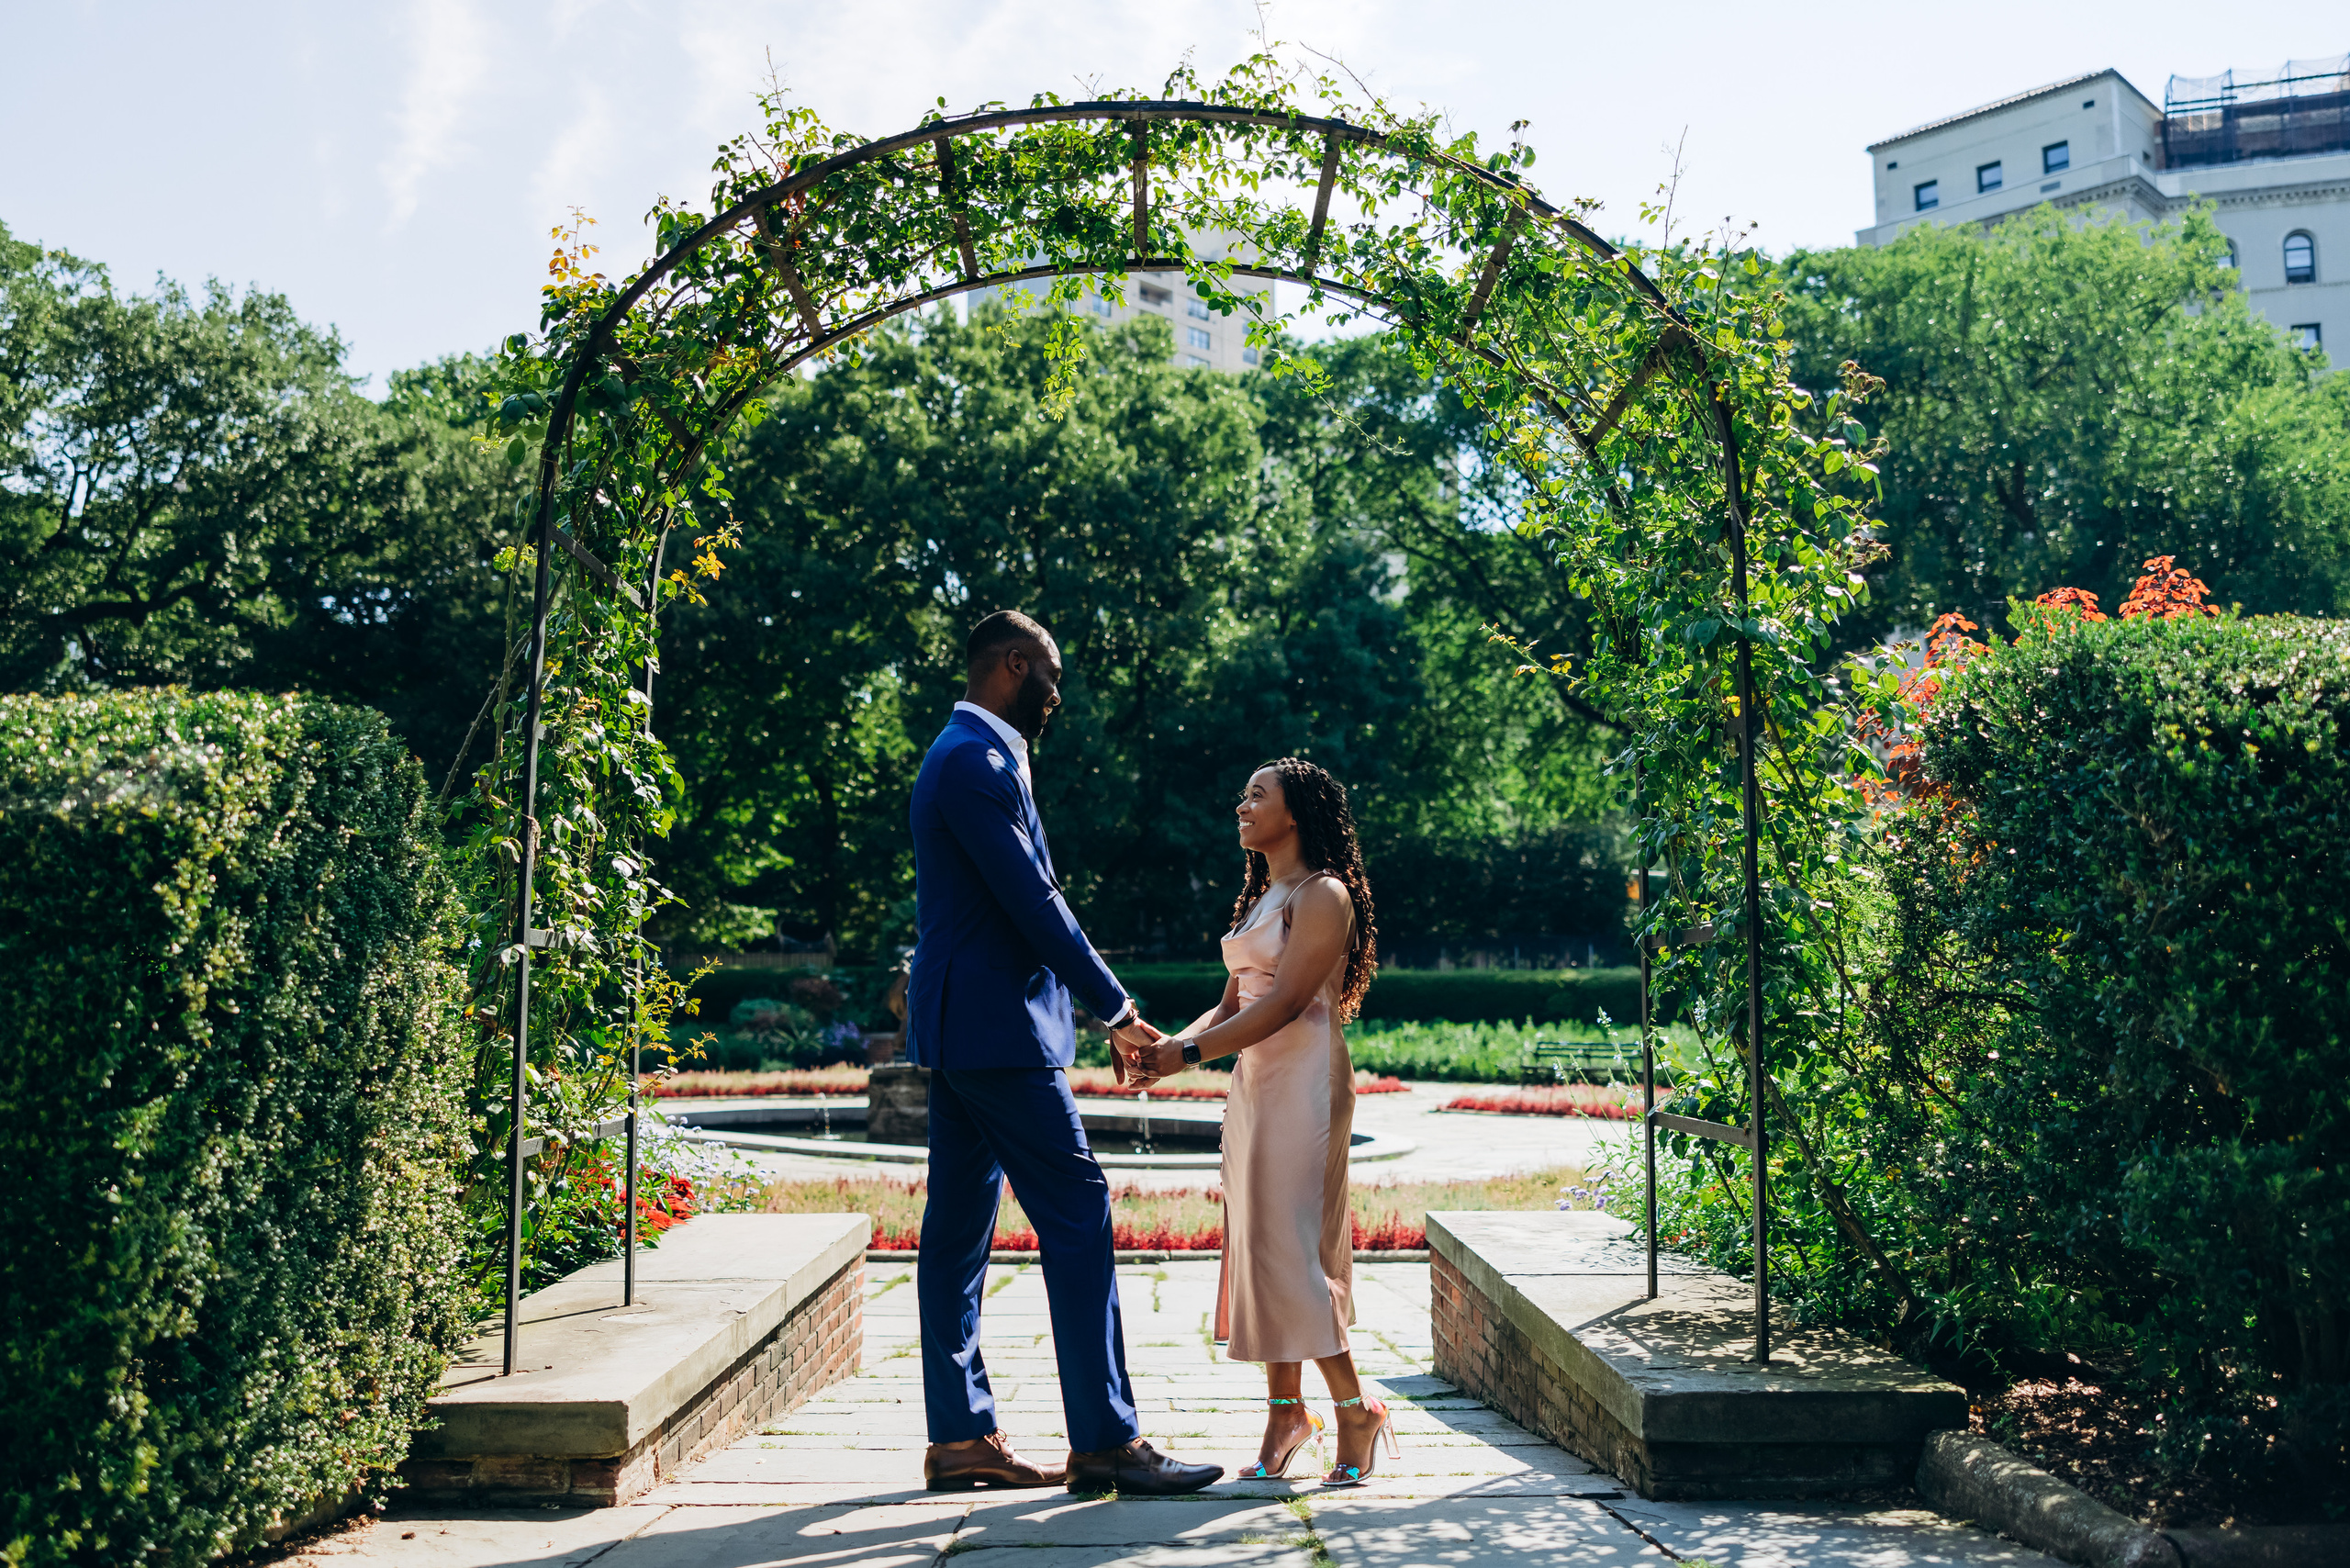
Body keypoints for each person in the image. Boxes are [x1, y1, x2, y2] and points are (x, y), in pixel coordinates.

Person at [906, 609, 1224, 1496]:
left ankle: (962, 1436)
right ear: (1014, 667)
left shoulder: (972, 753)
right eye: (1051, 674)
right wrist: (1118, 1009)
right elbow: (1032, 903)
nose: (1059, 693)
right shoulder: (973, 760)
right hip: (995, 1030)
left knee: (959, 1230)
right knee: (1079, 1207)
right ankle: (1106, 1440)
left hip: (969, 1028)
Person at [1125, 757, 1397, 1486]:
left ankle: (1354, 1407)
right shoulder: (1261, 895)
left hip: (1306, 1083)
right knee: (1263, 1245)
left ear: (1297, 814)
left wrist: (1186, 1052)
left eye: (1257, 795)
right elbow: (1231, 1006)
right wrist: (1161, 1053)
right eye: (1242, 793)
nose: (1240, 805)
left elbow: (1282, 1006)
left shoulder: (1324, 893)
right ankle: (1285, 1411)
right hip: (1256, 1085)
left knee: (1292, 1248)